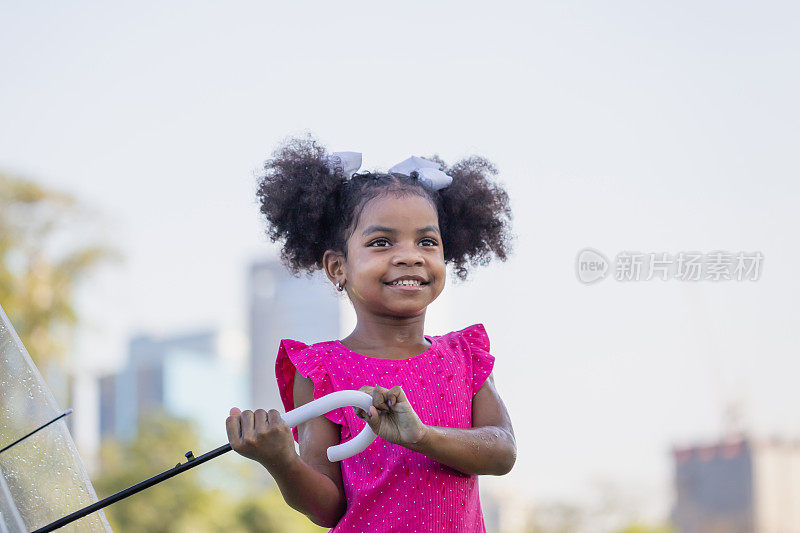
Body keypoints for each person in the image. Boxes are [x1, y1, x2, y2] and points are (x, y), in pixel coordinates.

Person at [225, 135, 516, 532]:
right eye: (381, 242)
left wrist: (420, 436)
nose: (410, 254)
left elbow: (501, 451)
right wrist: (281, 461)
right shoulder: (321, 369)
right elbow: (326, 508)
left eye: (427, 242)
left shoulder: (464, 355)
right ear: (337, 268)